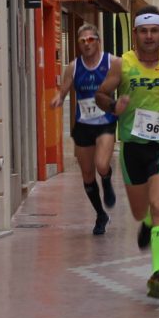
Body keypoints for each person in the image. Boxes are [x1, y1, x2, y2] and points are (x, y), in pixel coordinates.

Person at [95, 5, 159, 299]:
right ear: (135, 35)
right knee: (141, 210)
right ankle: (147, 224)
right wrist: (112, 106)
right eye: (144, 31)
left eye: (154, 31)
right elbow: (101, 93)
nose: (149, 36)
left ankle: (157, 273)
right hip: (132, 146)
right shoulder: (122, 64)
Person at [50, 23, 118, 236]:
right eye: (83, 41)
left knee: (101, 164)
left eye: (91, 40)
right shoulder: (73, 66)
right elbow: (64, 89)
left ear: (98, 41)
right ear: (79, 44)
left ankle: (106, 180)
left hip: (105, 121)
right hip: (83, 124)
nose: (87, 44)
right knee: (87, 173)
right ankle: (100, 214)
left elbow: (126, 84)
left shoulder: (112, 62)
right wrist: (58, 98)